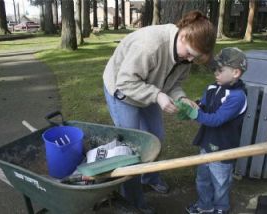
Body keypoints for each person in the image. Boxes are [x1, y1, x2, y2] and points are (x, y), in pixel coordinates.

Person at [103, 10, 216, 213]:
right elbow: (126, 82)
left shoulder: (185, 56)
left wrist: (180, 97)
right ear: (182, 35)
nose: (190, 60)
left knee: (156, 137)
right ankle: (133, 200)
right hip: (122, 91)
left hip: (148, 89)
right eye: (190, 53)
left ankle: (150, 176)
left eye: (195, 57)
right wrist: (157, 96)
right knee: (132, 148)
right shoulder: (150, 46)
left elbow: (174, 83)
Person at [181, 47, 248, 214]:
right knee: (202, 179)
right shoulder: (213, 87)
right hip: (206, 142)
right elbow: (204, 105)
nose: (215, 73)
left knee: (220, 182)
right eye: (215, 69)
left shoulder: (237, 97)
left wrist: (195, 114)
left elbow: (217, 120)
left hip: (223, 147)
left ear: (236, 73)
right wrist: (194, 106)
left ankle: (221, 208)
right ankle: (205, 205)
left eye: (220, 70)